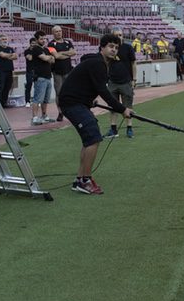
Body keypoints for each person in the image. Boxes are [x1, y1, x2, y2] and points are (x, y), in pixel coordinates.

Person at [58, 34, 133, 195]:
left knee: (89, 139)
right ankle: (85, 180)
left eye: (116, 47)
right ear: (102, 48)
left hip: (77, 102)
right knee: (93, 137)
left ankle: (80, 179)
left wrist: (88, 100)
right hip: (71, 103)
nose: (113, 49)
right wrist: (123, 109)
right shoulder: (98, 63)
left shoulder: (101, 65)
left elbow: (87, 84)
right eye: (110, 46)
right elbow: (103, 91)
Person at [107, 28, 137, 138]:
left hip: (126, 82)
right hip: (112, 82)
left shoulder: (128, 48)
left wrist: (134, 79)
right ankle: (113, 129)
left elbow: (133, 64)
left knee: (128, 106)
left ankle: (129, 129)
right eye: (116, 35)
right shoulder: (109, 49)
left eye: (120, 35)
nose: (119, 37)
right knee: (112, 107)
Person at [47, 25, 76, 121]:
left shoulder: (68, 42)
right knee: (59, 93)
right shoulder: (51, 44)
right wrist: (67, 53)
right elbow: (56, 56)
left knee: (70, 91)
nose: (59, 33)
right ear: (53, 33)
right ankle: (60, 112)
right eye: (56, 31)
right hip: (57, 72)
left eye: (60, 31)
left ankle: (71, 110)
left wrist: (61, 53)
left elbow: (73, 52)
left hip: (68, 71)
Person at [26, 31, 54, 126]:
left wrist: (49, 57)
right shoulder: (36, 49)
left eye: (44, 38)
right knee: (38, 98)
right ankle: (34, 117)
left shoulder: (45, 49)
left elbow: (53, 60)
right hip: (40, 77)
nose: (43, 40)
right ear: (37, 39)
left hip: (48, 76)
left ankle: (44, 115)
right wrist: (49, 57)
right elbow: (46, 59)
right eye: (41, 39)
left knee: (46, 99)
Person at [0, 34, 17, 108]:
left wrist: (8, 55)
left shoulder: (10, 48)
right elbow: (2, 55)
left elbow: (15, 57)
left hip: (9, 70)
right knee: (1, 87)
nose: (5, 40)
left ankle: (4, 102)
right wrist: (10, 55)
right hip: (1, 71)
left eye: (5, 39)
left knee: (8, 87)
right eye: (3, 39)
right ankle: (0, 103)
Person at [23, 35, 38, 107]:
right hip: (29, 71)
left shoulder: (38, 50)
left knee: (37, 86)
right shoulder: (27, 51)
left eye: (35, 43)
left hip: (37, 71)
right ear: (30, 43)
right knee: (28, 85)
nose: (33, 44)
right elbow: (30, 58)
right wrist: (34, 52)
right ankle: (27, 101)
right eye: (32, 43)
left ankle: (36, 101)